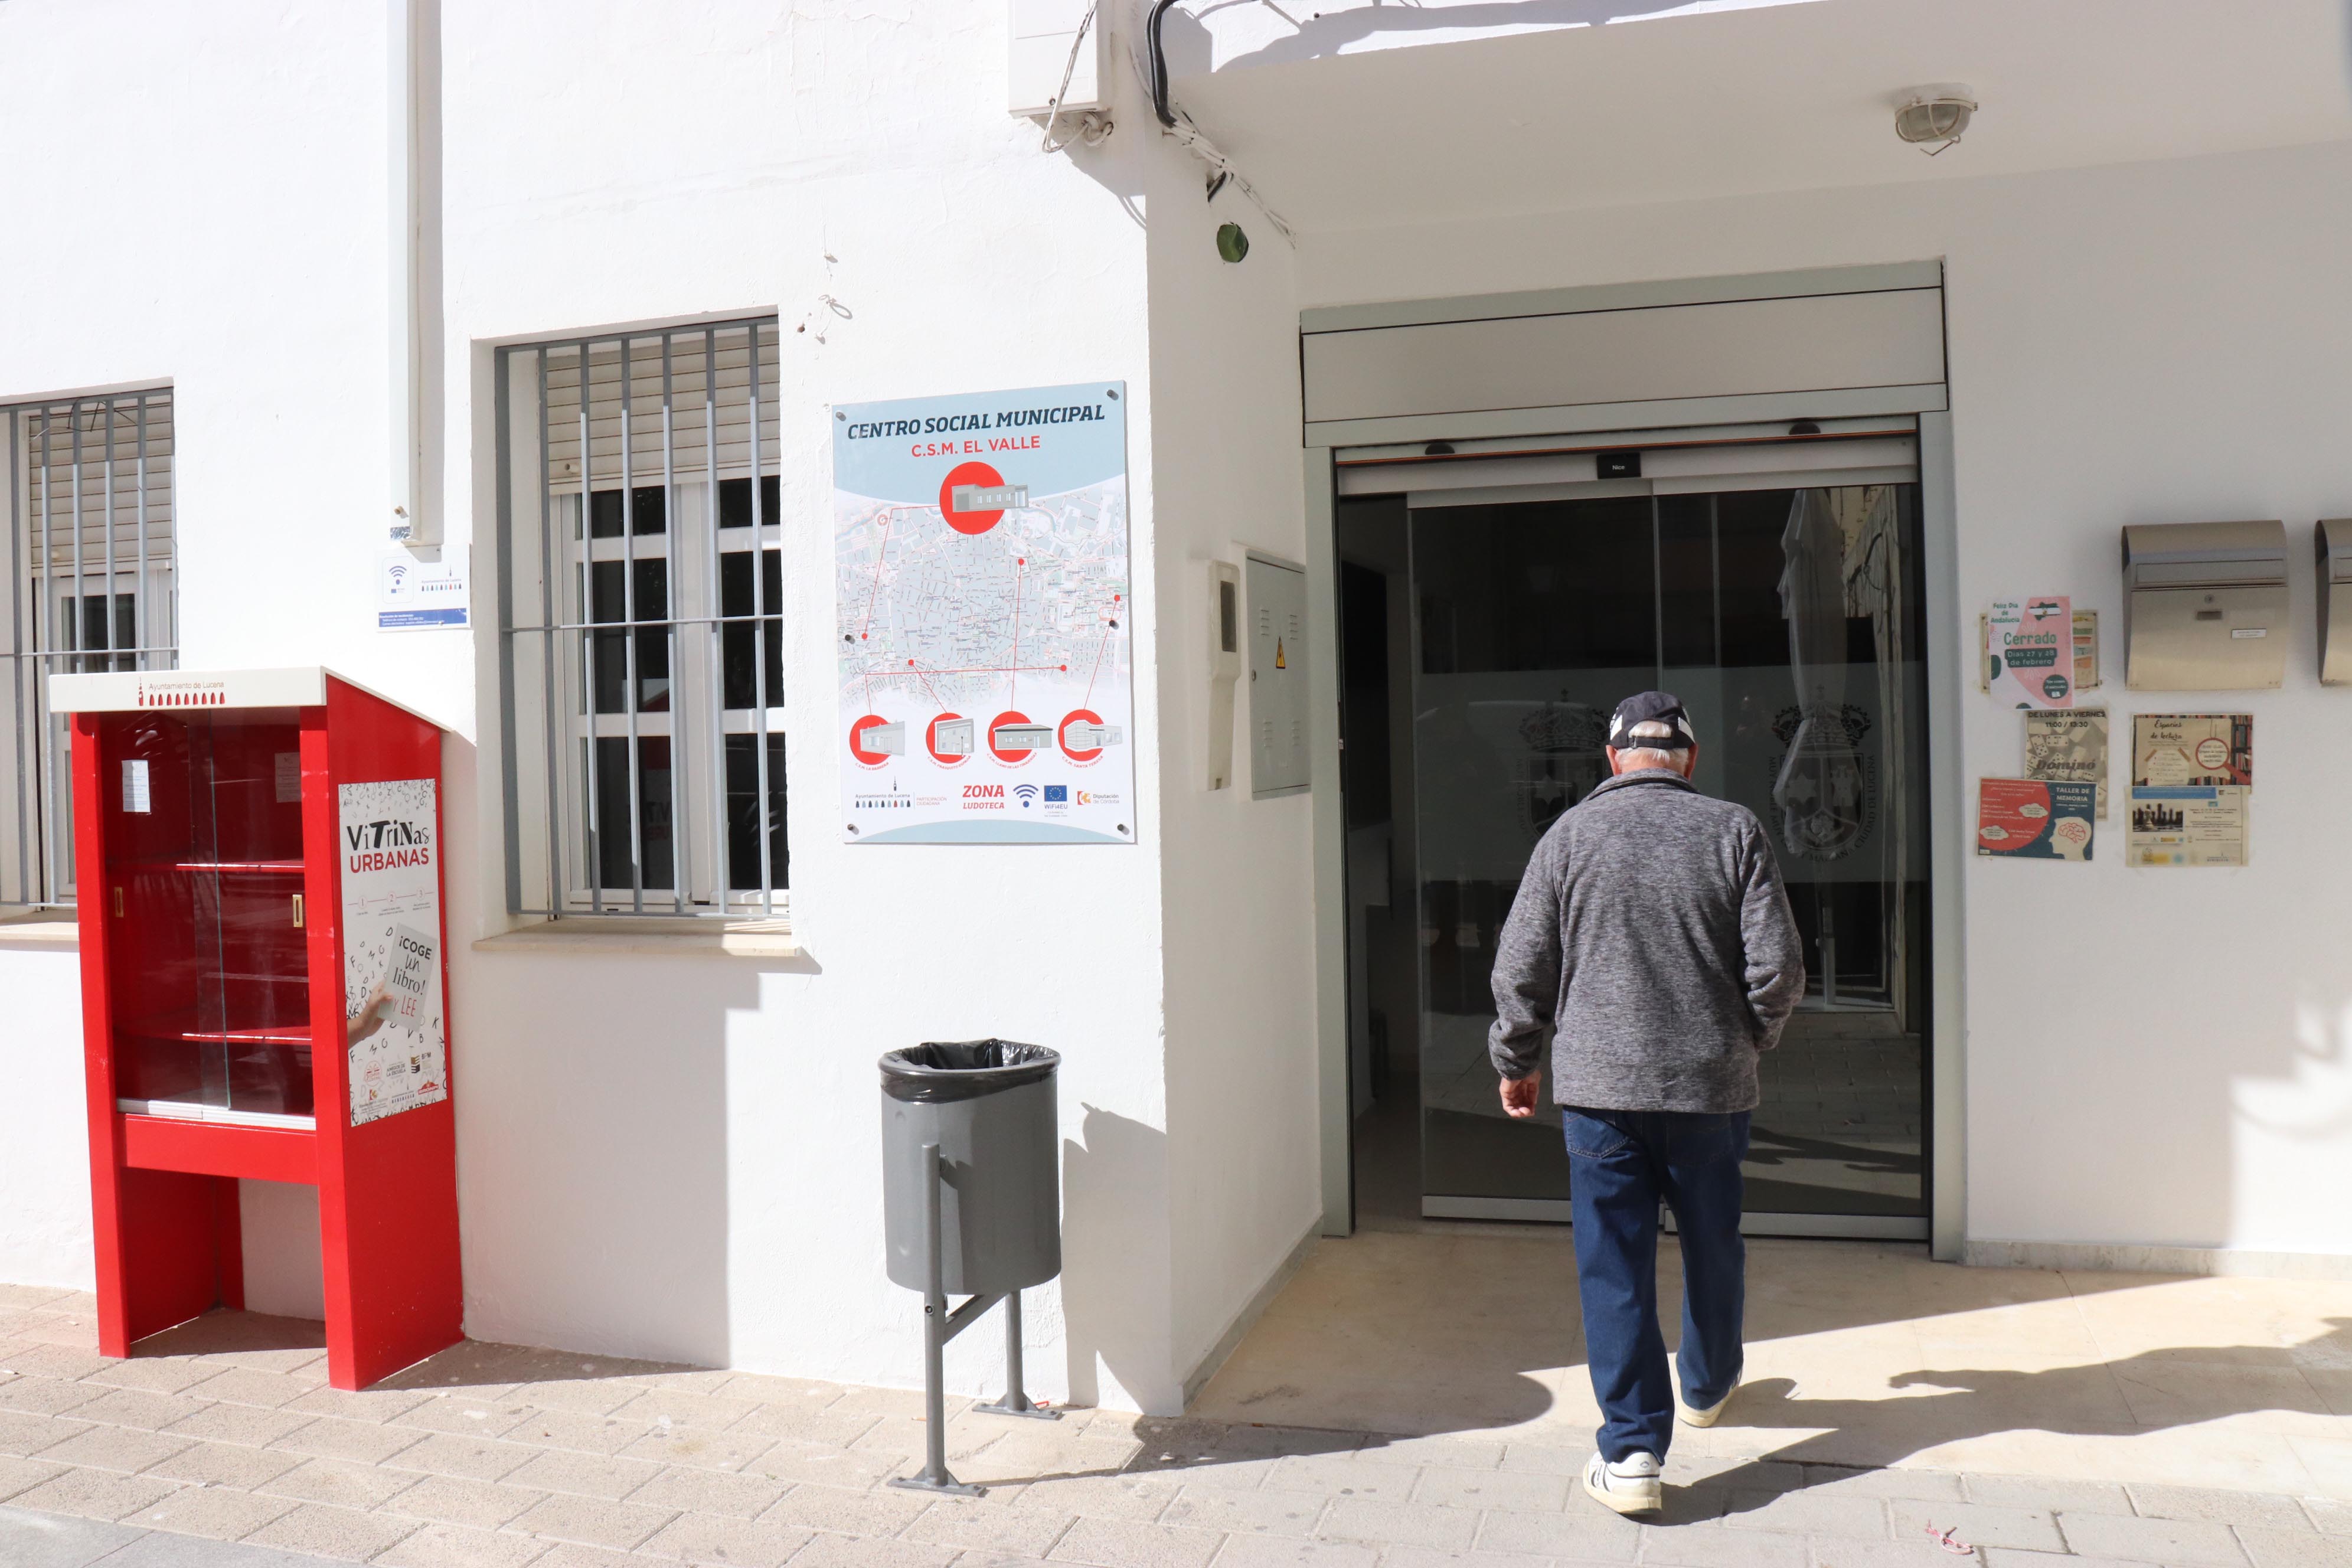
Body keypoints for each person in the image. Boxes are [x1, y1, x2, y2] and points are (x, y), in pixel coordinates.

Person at [1489, 691, 1805, 1515]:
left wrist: (1517, 1060)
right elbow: (1780, 970)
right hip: (1710, 1088)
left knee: (1615, 1267)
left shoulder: (1569, 837)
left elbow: (1521, 968)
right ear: (1689, 760)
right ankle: (1705, 1384)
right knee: (1714, 1242)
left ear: (1613, 759)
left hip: (1600, 1097)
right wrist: (1748, 1039)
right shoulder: (1734, 829)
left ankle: (1632, 1451)